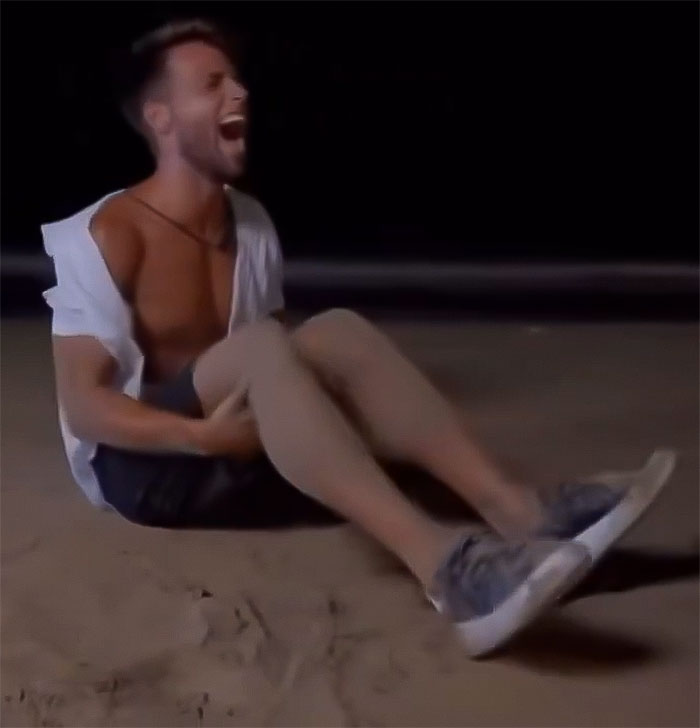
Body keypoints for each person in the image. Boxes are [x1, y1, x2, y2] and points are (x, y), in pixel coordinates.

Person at [42, 18, 674, 657]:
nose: (239, 93)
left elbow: (281, 367)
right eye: (212, 85)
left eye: (236, 79)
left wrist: (340, 408)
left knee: (333, 331)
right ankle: (447, 571)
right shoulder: (108, 234)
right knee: (265, 343)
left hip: (233, 446)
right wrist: (200, 437)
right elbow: (85, 406)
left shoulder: (253, 225)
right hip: (150, 470)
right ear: (162, 118)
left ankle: (521, 510)